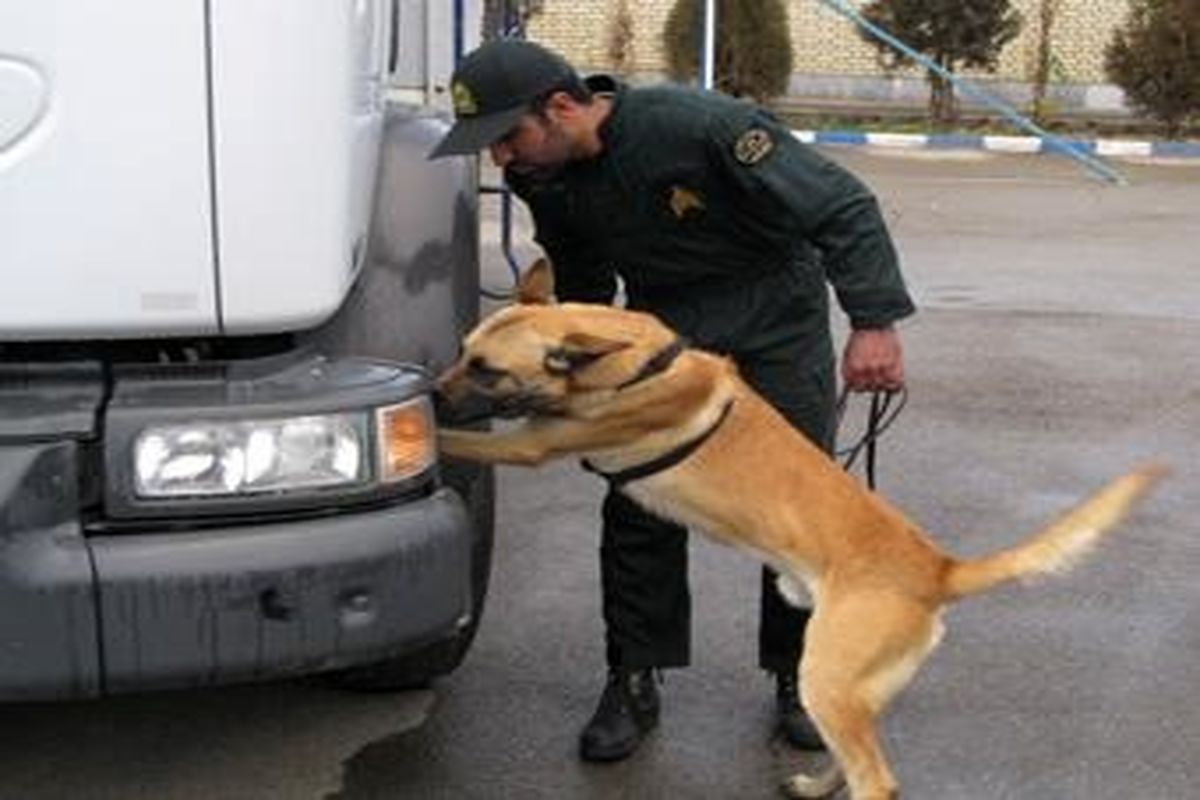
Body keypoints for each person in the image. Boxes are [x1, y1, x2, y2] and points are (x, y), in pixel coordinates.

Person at [430, 39, 915, 762]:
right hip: (667, 325)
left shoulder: (699, 127)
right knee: (638, 505)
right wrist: (578, 383)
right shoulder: (547, 169)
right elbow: (585, 276)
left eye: (507, 137)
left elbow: (842, 206)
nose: (501, 159)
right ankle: (633, 677)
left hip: (775, 313)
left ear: (561, 107)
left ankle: (798, 679)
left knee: (793, 510)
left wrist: (873, 323)